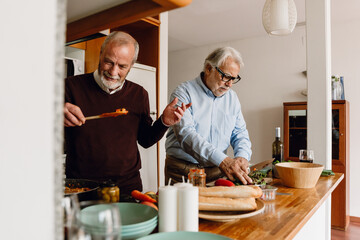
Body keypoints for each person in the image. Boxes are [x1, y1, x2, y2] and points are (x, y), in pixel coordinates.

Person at [64, 31, 190, 194]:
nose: (114, 72)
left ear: (132, 65)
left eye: (122, 66)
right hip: (81, 186)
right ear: (101, 54)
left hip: (127, 186)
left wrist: (164, 122)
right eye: (108, 62)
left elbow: (145, 140)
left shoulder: (139, 94)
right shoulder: (70, 87)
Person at [165, 46, 252, 185]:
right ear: (208, 68)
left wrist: (242, 156)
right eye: (225, 76)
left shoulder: (232, 98)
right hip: (182, 170)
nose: (229, 84)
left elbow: (239, 133)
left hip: (218, 170)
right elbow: (186, 134)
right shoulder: (183, 93)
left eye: (234, 79)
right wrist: (223, 160)